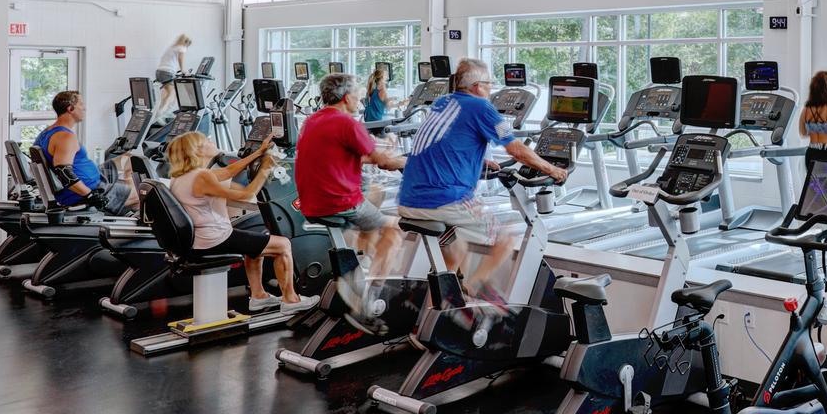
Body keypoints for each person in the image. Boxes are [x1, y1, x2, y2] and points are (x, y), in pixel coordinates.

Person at [398, 59, 568, 306]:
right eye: (489, 83)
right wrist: (552, 169)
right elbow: (517, 151)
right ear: (477, 86)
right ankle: (474, 288)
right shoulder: (481, 107)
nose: (491, 88)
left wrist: (477, 161)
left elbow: (443, 142)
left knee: (455, 249)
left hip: (409, 198)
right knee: (505, 239)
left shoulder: (442, 103)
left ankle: (440, 305)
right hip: (444, 199)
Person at [166, 131, 298, 309]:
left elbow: (229, 171)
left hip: (199, 239)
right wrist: (266, 167)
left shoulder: (182, 176)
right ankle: (291, 300)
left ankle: (259, 295)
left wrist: (259, 152)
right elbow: (246, 195)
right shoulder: (201, 177)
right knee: (283, 245)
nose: (211, 140)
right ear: (197, 151)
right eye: (206, 140)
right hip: (213, 239)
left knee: (256, 240)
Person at [294, 71, 404, 268]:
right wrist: (409, 162)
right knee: (394, 227)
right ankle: (373, 291)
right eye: (357, 95)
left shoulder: (312, 120)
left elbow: (342, 155)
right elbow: (384, 163)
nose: (360, 100)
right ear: (346, 98)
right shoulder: (346, 123)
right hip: (339, 203)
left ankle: (361, 263)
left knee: (372, 195)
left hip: (311, 202)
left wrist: (376, 155)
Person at [36, 91, 133, 213]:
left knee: (129, 159)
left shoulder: (47, 132)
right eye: (81, 104)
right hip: (90, 190)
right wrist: (90, 196)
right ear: (70, 109)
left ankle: (125, 195)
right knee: (144, 194)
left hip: (91, 181)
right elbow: (64, 172)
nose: (85, 108)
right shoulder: (65, 137)